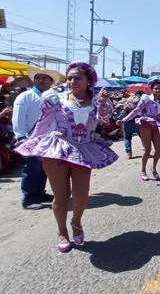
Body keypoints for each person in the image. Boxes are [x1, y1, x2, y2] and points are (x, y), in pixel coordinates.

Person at [15, 62, 118, 252]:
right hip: (58, 150)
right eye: (69, 78)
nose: (72, 81)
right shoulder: (55, 99)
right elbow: (43, 123)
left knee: (81, 197)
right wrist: (30, 141)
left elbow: (104, 121)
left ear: (89, 81)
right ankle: (62, 232)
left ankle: (76, 222)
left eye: (77, 77)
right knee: (61, 196)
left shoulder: (97, 101)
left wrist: (103, 103)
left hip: (84, 150)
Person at [12, 68, 61, 210]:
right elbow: (18, 117)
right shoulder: (25, 96)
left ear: (51, 82)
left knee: (45, 168)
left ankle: (40, 193)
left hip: (49, 139)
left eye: (45, 78)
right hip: (30, 138)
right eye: (38, 78)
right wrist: (21, 136)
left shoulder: (54, 96)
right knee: (31, 168)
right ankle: (28, 199)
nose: (41, 80)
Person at [117, 79, 160, 181]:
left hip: (155, 125)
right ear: (151, 89)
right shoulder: (146, 99)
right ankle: (143, 170)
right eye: (155, 88)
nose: (158, 90)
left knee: (158, 149)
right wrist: (124, 120)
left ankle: (154, 168)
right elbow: (136, 110)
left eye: (159, 88)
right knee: (147, 149)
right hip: (145, 125)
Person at [120, 91, 144, 158]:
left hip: (127, 122)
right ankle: (146, 148)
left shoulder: (129, 100)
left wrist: (121, 119)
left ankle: (129, 152)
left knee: (127, 138)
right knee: (143, 136)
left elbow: (123, 111)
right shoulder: (141, 102)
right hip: (138, 122)